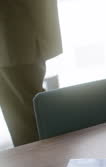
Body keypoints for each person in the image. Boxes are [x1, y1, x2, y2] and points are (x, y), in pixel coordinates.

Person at [0, 0, 62, 146]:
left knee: (26, 120)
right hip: (15, 35)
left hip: (15, 35)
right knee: (24, 117)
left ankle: (46, 165)